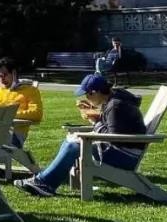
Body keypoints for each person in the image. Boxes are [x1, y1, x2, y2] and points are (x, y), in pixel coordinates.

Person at [16, 73, 146, 198]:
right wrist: (96, 119)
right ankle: (43, 182)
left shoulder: (115, 105)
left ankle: (44, 183)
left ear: (95, 92)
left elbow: (113, 136)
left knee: (73, 146)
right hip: (122, 150)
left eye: (87, 94)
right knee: (70, 143)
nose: (87, 98)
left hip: (124, 156)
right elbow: (115, 128)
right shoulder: (114, 100)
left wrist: (95, 125)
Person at [0, 58, 43, 147]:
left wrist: (9, 114)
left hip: (13, 133)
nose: (1, 80)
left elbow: (37, 113)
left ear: (14, 73)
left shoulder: (30, 90)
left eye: (4, 75)